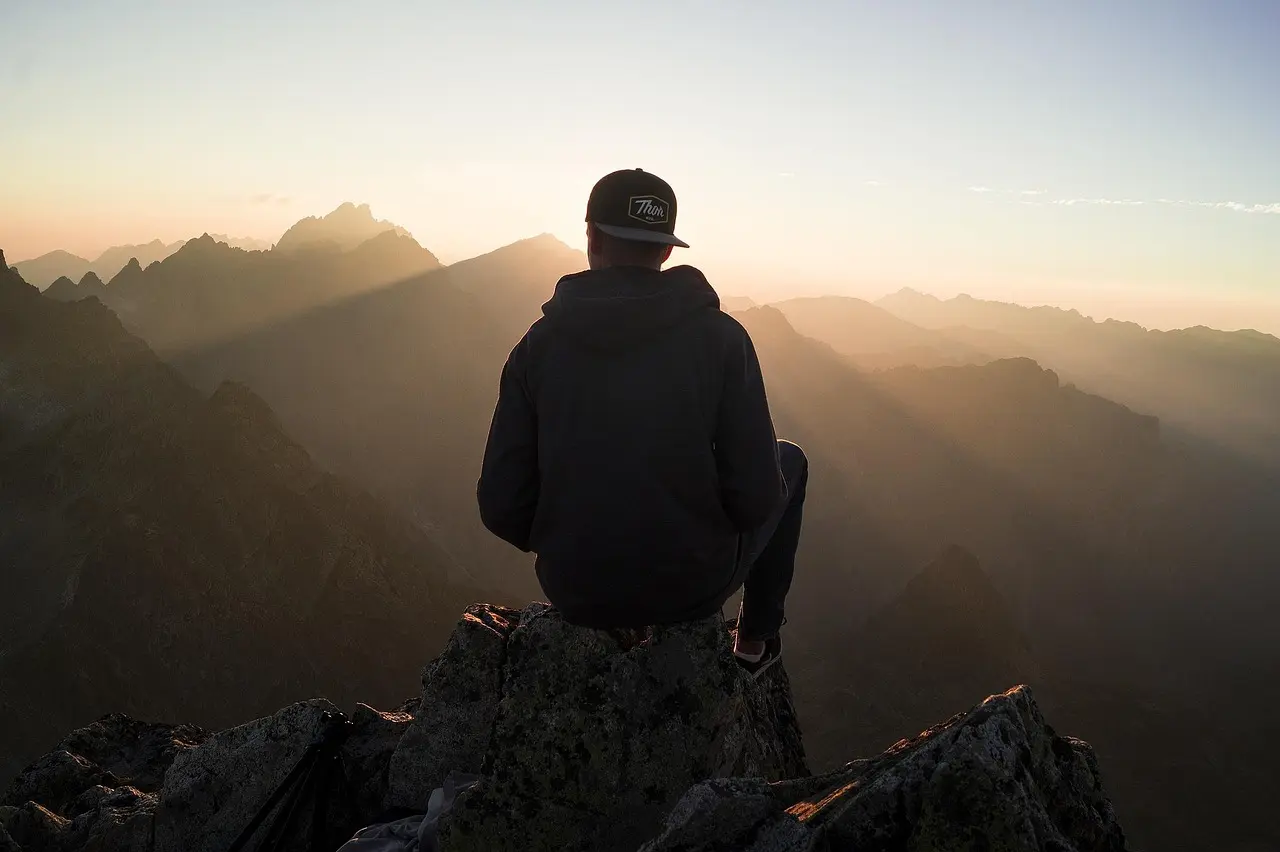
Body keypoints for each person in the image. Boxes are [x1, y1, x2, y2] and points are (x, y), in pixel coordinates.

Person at [477, 167, 807, 677]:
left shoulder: (536, 348)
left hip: (575, 588)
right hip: (691, 587)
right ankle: (754, 642)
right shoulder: (723, 342)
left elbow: (501, 505)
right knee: (791, 460)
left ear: (591, 237)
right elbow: (758, 497)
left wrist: (574, 540)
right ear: (667, 251)